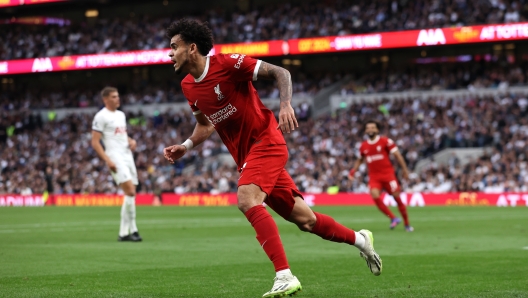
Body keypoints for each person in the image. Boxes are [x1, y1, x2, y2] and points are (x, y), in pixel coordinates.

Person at [162, 19, 382, 298]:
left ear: (192, 48)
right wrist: (186, 145)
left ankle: (284, 276)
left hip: (267, 141)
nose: (169, 53)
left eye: (174, 47)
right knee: (307, 221)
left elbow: (281, 72)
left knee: (246, 199)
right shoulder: (188, 86)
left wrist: (285, 104)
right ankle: (362, 240)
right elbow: (206, 125)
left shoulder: (227, 64)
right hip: (247, 157)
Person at [91, 87, 142, 242]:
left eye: (118, 96)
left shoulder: (121, 115)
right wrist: (107, 160)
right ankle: (133, 230)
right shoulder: (101, 116)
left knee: (130, 195)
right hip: (115, 157)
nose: (117, 99)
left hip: (127, 156)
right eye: (113, 97)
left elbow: (122, 135)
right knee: (131, 192)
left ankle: (123, 233)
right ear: (105, 99)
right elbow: (95, 142)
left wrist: (131, 141)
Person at [348, 120, 414, 232]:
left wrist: (404, 170)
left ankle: (407, 224)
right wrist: (352, 172)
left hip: (388, 175)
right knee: (374, 195)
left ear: (377, 130)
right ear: (365, 131)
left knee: (396, 197)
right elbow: (360, 160)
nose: (370, 130)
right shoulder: (363, 146)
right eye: (368, 128)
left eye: (373, 127)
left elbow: (397, 155)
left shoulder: (385, 141)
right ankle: (393, 218)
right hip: (374, 177)